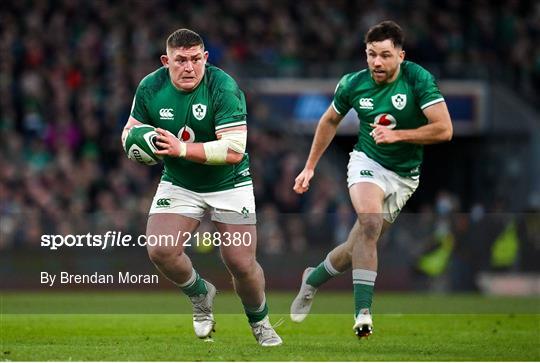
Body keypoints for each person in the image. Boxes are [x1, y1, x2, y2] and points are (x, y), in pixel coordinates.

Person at [290, 20, 453, 338]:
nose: (377, 62)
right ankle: (362, 314)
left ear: (401, 56)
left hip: (405, 176)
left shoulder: (418, 79)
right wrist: (309, 167)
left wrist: (399, 135)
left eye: (385, 55)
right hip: (367, 163)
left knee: (356, 247)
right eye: (371, 54)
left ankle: (313, 279)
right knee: (369, 222)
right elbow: (329, 121)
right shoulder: (353, 84)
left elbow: (444, 129)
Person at [121, 28, 282, 347]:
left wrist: (180, 150)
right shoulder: (150, 87)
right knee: (161, 250)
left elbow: (234, 149)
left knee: (240, 262)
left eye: (196, 59)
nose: (189, 67)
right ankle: (200, 294)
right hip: (180, 181)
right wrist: (137, 145)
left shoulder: (223, 86)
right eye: (180, 60)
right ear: (167, 61)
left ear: (205, 58)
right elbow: (129, 131)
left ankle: (260, 321)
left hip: (229, 182)